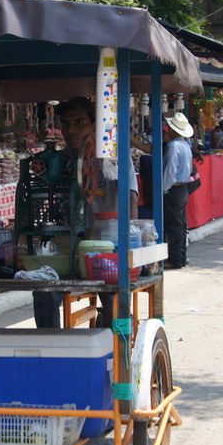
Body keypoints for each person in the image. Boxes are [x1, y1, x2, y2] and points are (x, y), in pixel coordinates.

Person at [32, 96, 138, 328]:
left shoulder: (114, 159)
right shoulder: (58, 162)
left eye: (79, 123)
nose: (71, 130)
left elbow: (131, 199)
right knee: (44, 289)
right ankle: (50, 346)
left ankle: (115, 350)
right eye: (66, 124)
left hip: (106, 248)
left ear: (95, 126)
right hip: (67, 249)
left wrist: (129, 241)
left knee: (114, 295)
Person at [161, 112, 193, 269]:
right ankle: (181, 256)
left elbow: (170, 172)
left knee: (174, 225)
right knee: (180, 224)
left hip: (174, 189)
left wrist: (164, 190)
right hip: (183, 188)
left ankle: (175, 259)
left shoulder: (174, 147)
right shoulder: (185, 145)